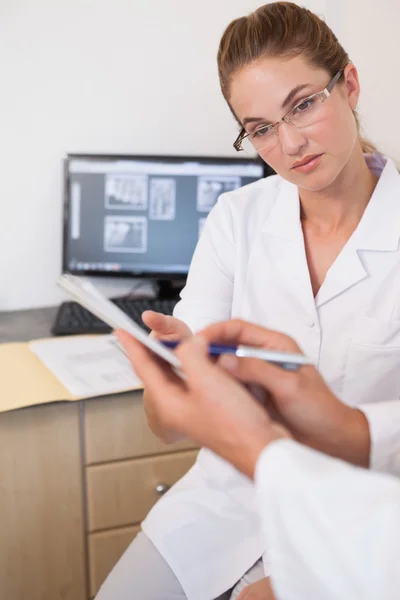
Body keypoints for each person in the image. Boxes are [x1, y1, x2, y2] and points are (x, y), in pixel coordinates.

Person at [95, 3, 400, 599]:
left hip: (361, 519)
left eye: (303, 104)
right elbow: (165, 425)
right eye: (260, 128)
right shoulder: (238, 218)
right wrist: (170, 378)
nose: (289, 144)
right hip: (223, 502)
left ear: (350, 84)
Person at [115, 319, 400, 600]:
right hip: (223, 496)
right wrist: (345, 428)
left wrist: (302, 577)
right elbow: (166, 422)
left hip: (357, 522)